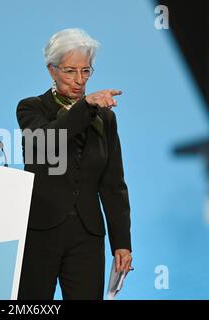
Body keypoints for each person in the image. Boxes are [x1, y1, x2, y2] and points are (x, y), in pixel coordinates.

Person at [16, 28, 133, 300]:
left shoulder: (105, 117)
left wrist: (122, 244)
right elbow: (50, 140)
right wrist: (86, 107)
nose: (79, 80)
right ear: (51, 70)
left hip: (87, 235)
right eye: (70, 71)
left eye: (86, 71)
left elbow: (113, 184)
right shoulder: (30, 109)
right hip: (40, 231)